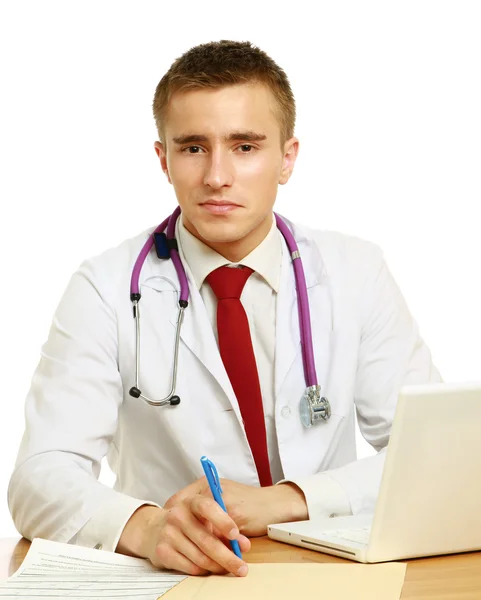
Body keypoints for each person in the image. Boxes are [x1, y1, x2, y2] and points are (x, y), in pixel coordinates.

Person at [8, 39, 442, 579]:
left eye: (244, 147)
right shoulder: (105, 286)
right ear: (163, 160)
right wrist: (147, 527)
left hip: (327, 574)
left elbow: (435, 457)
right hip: (179, 576)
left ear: (287, 158)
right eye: (193, 148)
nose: (217, 176)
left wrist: (290, 499)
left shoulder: (356, 272)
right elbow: (39, 477)